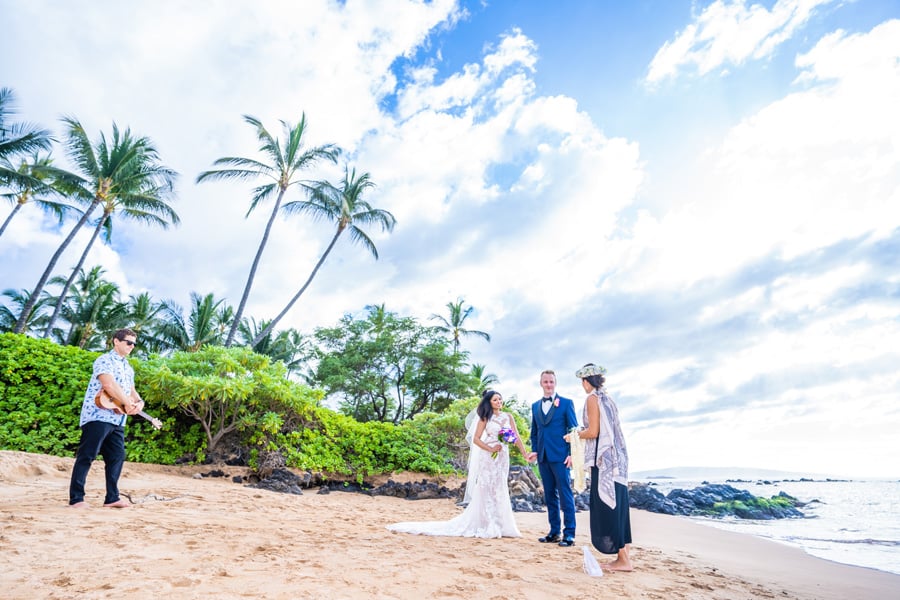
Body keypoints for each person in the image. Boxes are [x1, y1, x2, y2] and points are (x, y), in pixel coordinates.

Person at [387, 389, 528, 538]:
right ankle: (489, 524)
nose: (499, 402)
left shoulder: (508, 417)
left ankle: (504, 526)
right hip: (489, 456)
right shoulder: (485, 417)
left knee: (499, 487)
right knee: (486, 487)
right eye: (495, 400)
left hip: (502, 457)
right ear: (489, 402)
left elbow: (516, 436)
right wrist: (491, 447)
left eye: (500, 399)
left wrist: (524, 453)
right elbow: (476, 439)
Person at [68, 328, 145, 508]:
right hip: (98, 415)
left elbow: (131, 391)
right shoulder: (104, 360)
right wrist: (126, 402)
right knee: (87, 456)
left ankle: (112, 498)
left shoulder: (128, 367)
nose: (132, 346)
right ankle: (76, 499)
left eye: (134, 343)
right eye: (128, 342)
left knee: (117, 456)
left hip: (117, 418)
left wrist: (139, 403)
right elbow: (108, 385)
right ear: (116, 341)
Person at [568, 363, 633, 571]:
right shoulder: (609, 400)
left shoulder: (592, 399)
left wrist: (574, 435)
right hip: (619, 460)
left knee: (609, 507)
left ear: (586, 381)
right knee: (620, 506)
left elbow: (593, 431)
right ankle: (625, 557)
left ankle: (623, 560)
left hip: (604, 461)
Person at [529, 369, 579, 547]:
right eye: (545, 382)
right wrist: (535, 450)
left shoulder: (566, 403)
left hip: (561, 457)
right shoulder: (535, 406)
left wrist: (572, 454)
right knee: (550, 496)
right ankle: (554, 532)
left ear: (555, 383)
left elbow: (574, 431)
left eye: (551, 382)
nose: (548, 385)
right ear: (541, 383)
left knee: (566, 496)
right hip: (543, 457)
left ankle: (570, 534)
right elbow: (534, 433)